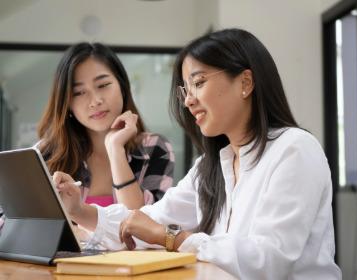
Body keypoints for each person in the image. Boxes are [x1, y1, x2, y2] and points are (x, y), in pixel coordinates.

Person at [53, 29, 342, 279]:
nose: (189, 101)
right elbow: (149, 220)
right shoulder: (212, 164)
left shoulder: (294, 150)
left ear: (245, 83)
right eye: (185, 89)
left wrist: (172, 238)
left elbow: (267, 263)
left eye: (199, 82)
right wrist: (78, 210)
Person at [38, 42, 174, 210]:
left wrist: (115, 150)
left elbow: (147, 226)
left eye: (103, 85)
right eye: (79, 92)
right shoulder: (46, 155)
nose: (95, 101)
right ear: (67, 104)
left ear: (122, 86)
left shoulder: (155, 148)